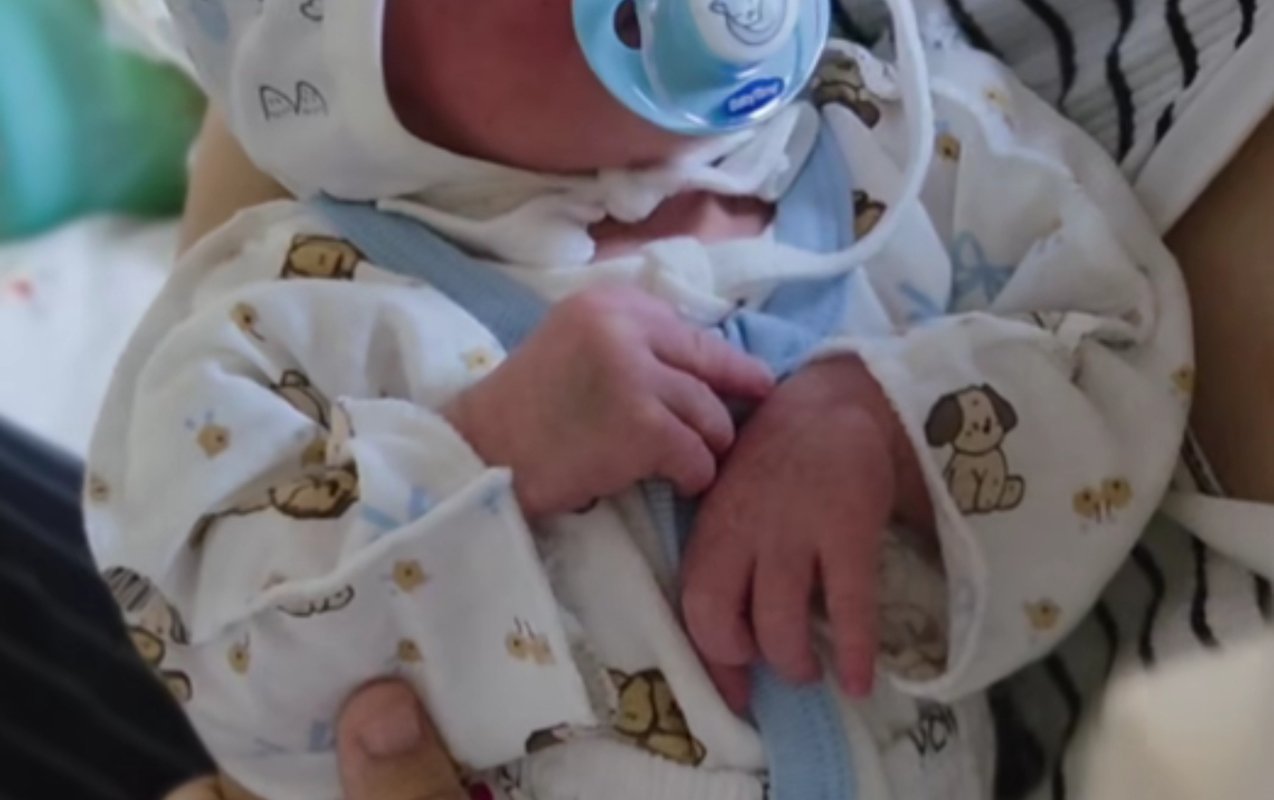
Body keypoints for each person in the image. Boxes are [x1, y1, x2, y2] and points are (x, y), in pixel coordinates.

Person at [86, 0, 1190, 798]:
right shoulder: (293, 311)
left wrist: (888, 421)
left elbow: (1112, 327)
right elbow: (214, 640)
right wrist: (485, 448)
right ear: (333, 53)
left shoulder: (908, 135)